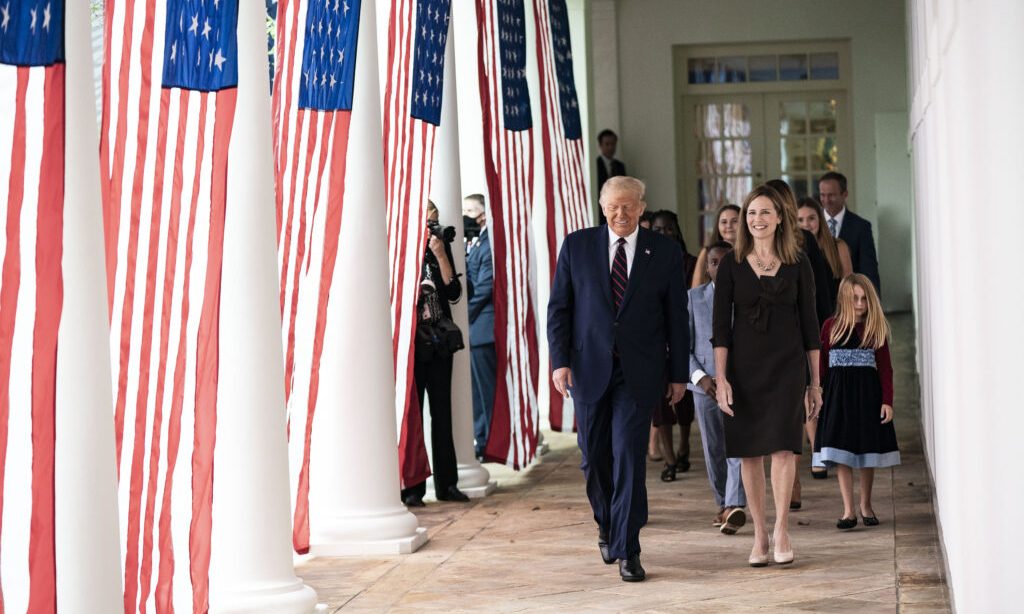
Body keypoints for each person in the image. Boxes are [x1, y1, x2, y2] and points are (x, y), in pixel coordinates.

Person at [548, 176, 689, 582]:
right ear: (601, 206)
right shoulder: (577, 246)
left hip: (639, 372)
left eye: (629, 206)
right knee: (594, 458)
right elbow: (559, 309)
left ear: (643, 206)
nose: (621, 214)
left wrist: (678, 373)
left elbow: (677, 319)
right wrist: (560, 362)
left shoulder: (663, 252)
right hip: (588, 369)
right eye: (613, 206)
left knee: (629, 456)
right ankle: (607, 522)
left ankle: (629, 548)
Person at [712, 183, 822, 567]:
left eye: (765, 213)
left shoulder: (798, 263)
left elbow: (811, 327)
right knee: (749, 453)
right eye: (751, 213)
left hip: (788, 369)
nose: (757, 219)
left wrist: (816, 383)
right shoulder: (731, 264)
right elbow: (720, 330)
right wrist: (721, 379)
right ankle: (759, 533)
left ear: (780, 219)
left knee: (784, 448)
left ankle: (782, 530)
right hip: (743, 371)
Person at [813, 275, 900, 529]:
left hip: (866, 398)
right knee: (842, 454)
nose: (860, 304)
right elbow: (822, 366)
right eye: (855, 299)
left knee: (865, 453)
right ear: (844, 299)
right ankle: (848, 510)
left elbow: (885, 368)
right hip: (838, 400)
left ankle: (866, 504)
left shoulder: (875, 329)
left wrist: (887, 400)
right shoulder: (831, 327)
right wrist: (818, 393)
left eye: (864, 299)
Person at [402, 201, 470, 507]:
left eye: (435, 221)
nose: (434, 227)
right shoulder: (400, 247)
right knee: (412, 416)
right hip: (412, 343)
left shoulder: (440, 248)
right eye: (429, 221)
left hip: (440, 341)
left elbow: (454, 293)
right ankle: (413, 486)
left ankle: (448, 484)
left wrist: (441, 253)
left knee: (442, 413)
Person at [688, 241, 747, 534]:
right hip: (705, 387)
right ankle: (723, 502)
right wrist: (701, 377)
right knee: (714, 448)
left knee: (738, 445)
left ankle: (734, 505)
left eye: (725, 262)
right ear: (706, 266)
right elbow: (680, 346)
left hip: (739, 384)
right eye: (713, 262)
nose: (719, 267)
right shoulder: (692, 299)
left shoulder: (747, 297)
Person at [647, 210, 698, 479]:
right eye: (657, 230)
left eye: (668, 229)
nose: (663, 234)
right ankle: (669, 460)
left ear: (676, 230)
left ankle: (684, 446)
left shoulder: (691, 262)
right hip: (654, 338)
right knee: (660, 401)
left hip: (685, 335)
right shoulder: (643, 260)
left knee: (685, 397)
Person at [463, 194, 496, 461]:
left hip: (483, 327)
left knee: (486, 391)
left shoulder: (489, 245)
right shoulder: (474, 242)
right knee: (474, 392)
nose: (466, 215)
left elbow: (485, 285)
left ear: (483, 214)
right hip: (474, 329)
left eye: (471, 210)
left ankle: (489, 441)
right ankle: (481, 437)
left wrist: (465, 314)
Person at [818, 172, 881, 293]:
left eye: (831, 195)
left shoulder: (862, 227)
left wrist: (873, 304)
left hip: (850, 297)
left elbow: (869, 269)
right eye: (822, 195)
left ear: (844, 194)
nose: (826, 200)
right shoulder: (812, 223)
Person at [691, 204, 740, 288]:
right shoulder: (706, 252)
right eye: (724, 222)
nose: (728, 226)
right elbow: (696, 292)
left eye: (734, 221)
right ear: (717, 226)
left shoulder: (751, 251)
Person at [596, 130, 627, 226]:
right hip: (600, 210)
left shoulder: (620, 166)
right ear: (600, 146)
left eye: (613, 144)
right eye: (607, 144)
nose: (610, 147)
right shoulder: (595, 165)